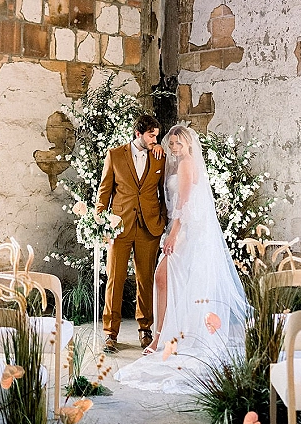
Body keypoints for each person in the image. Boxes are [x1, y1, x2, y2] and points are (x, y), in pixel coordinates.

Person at [114, 125, 248, 393]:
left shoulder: (187, 165)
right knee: (171, 281)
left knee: (161, 277)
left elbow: (185, 205)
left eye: (178, 143)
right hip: (180, 227)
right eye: (171, 143)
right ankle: (166, 336)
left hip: (187, 229)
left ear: (188, 144)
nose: (174, 147)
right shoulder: (176, 163)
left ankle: (161, 338)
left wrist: (173, 235)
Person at [96, 113, 167, 354]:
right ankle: (110, 333)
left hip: (149, 227)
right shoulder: (115, 155)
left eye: (156, 135)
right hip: (119, 226)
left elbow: (164, 191)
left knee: (145, 280)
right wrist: (101, 221)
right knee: (115, 279)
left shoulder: (159, 157)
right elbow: (104, 191)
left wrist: (164, 219)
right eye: (151, 135)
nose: (155, 139)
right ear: (138, 133)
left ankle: (145, 329)